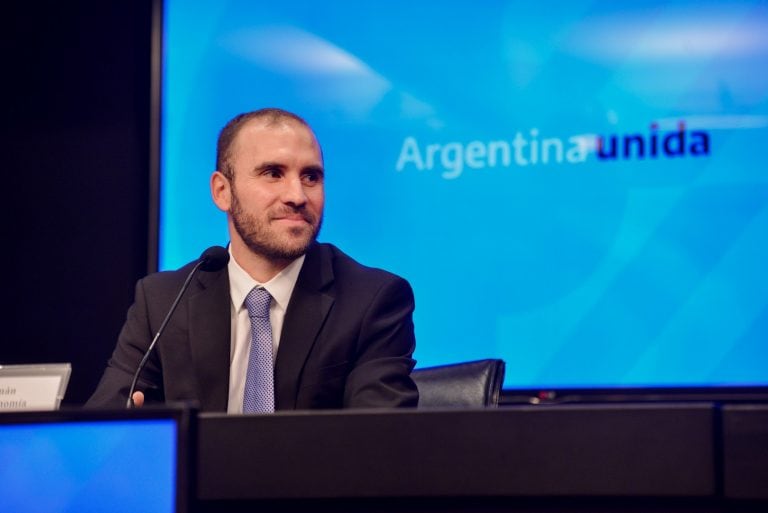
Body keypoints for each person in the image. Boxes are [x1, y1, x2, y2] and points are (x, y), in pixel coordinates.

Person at [87, 108, 418, 412]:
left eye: (311, 177)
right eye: (273, 173)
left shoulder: (372, 301)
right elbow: (102, 432)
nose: (297, 196)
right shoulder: (162, 302)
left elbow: (378, 449)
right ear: (222, 192)